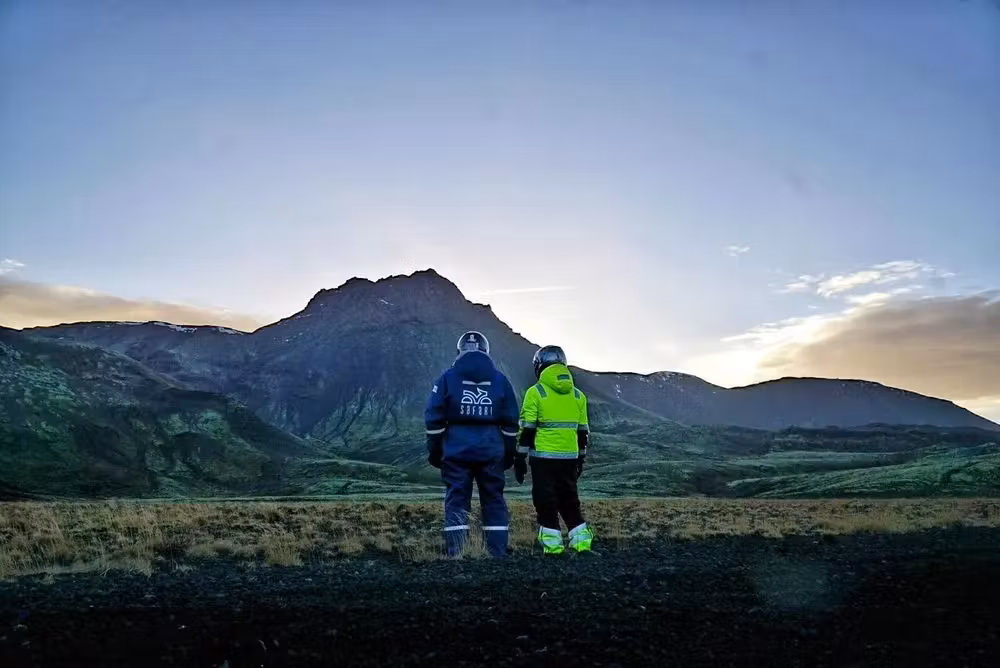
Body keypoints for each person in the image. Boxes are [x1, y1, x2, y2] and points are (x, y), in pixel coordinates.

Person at [425, 331, 520, 557]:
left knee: (456, 499)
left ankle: (457, 552)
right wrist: (508, 454)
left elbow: (433, 416)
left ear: (459, 351)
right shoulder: (500, 380)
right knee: (494, 499)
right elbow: (510, 420)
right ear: (486, 351)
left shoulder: (447, 378)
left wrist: (436, 450)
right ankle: (497, 553)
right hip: (491, 451)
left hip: (456, 452)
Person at [513, 345, 594, 555]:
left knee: (545, 500)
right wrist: (580, 460)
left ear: (539, 367)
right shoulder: (578, 396)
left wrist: (520, 457)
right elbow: (582, 432)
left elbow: (527, 429)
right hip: (569, 458)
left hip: (543, 459)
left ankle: (552, 547)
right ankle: (581, 543)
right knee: (570, 499)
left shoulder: (535, 392)